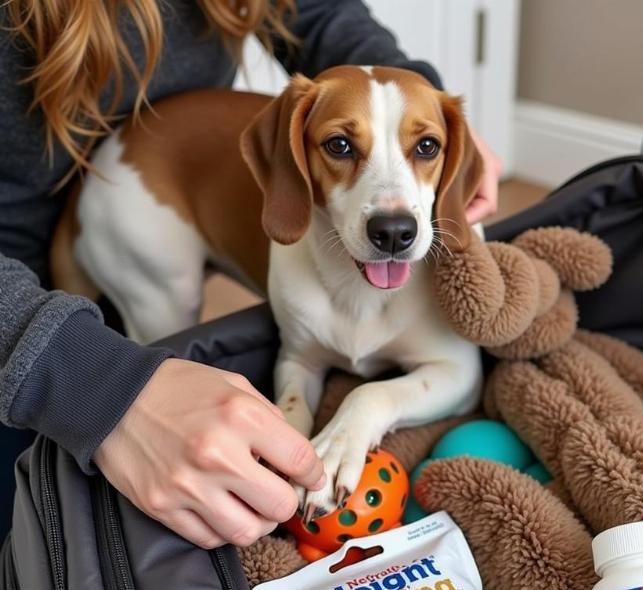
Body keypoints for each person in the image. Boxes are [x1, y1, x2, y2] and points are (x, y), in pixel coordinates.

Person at [0, 0, 502, 544]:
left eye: (424, 146)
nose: (393, 218)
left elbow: (315, 12)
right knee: (50, 514)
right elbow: (300, 356)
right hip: (122, 205)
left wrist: (366, 408)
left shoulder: (443, 254)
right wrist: (111, 389)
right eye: (340, 147)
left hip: (151, 158)